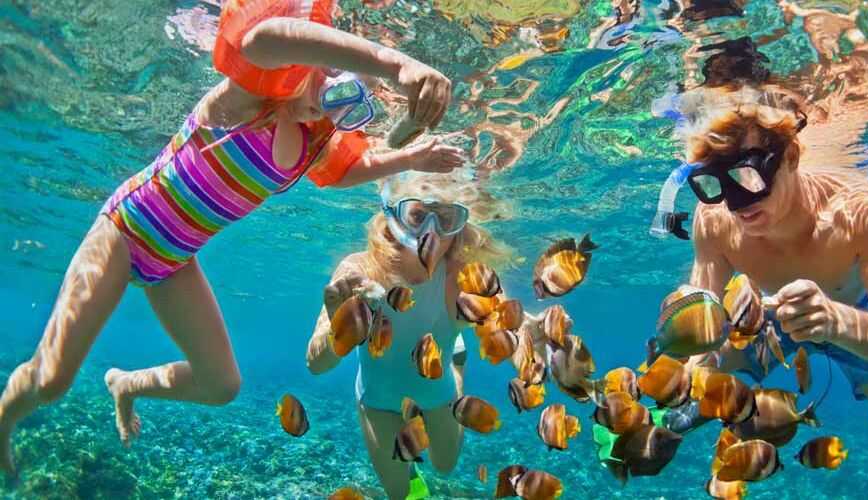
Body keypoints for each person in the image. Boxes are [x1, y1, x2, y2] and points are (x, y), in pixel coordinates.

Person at [0, 0, 466, 479]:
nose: (326, 96)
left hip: (174, 261)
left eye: (344, 99)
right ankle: (2, 422)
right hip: (125, 230)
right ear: (312, 55)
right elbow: (262, 39)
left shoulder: (310, 142)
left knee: (221, 384)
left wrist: (409, 157)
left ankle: (126, 384)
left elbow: (351, 169)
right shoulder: (246, 99)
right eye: (327, 75)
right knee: (52, 378)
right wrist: (396, 64)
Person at [654, 86, 868, 470]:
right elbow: (703, 322)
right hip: (763, 318)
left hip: (854, 316)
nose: (736, 203)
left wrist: (834, 321)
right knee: (692, 379)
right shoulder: (714, 219)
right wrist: (687, 373)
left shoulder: (861, 210)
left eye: (748, 176)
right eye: (713, 182)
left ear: (792, 156)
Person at [305, 173, 509, 500]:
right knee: (401, 494)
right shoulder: (358, 270)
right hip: (377, 399)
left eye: (445, 219)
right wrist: (337, 326)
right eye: (416, 215)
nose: (429, 231)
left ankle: (456, 366)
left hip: (437, 389)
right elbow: (315, 364)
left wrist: (533, 332)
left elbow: (508, 322)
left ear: (459, 228)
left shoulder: (461, 275)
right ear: (393, 214)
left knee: (445, 465)